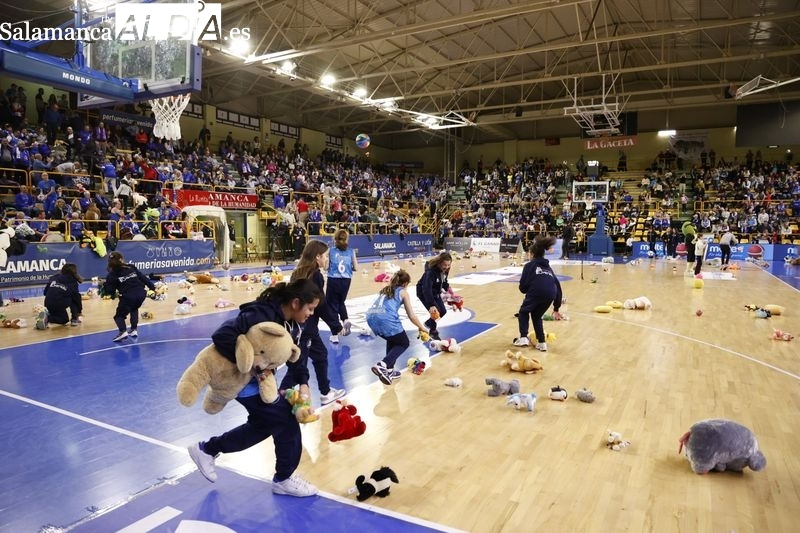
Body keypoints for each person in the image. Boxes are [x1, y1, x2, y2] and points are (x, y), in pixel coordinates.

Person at [189, 279, 323, 497]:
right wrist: (252, 365)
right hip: (238, 379)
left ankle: (207, 449)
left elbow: (295, 356)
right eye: (310, 308)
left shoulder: (295, 324)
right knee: (285, 421)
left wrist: (304, 384)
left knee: (261, 426)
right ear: (296, 302)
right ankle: (284, 479)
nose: (310, 313)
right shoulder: (262, 314)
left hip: (258, 382)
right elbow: (221, 335)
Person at [280, 239, 346, 405]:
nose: (327, 260)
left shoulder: (298, 272)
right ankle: (279, 398)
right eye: (325, 256)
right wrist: (336, 326)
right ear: (317, 257)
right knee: (298, 367)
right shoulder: (315, 275)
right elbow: (320, 305)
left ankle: (325, 392)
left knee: (321, 355)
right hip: (305, 328)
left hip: (302, 326)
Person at [367, 269, 429, 385]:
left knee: (393, 338)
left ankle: (389, 370)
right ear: (405, 283)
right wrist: (422, 327)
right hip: (385, 319)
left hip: (371, 318)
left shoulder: (385, 290)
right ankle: (383, 365)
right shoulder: (403, 292)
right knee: (403, 342)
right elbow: (412, 316)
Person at [513, 235, 564, 352]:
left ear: (532, 254)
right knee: (536, 316)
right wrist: (556, 308)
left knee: (523, 311)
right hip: (551, 294)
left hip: (536, 291)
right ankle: (541, 343)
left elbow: (523, 287)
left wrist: (527, 289)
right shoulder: (549, 268)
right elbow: (558, 286)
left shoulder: (529, 265)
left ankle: (523, 338)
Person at [104, 251, 156, 342]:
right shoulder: (131, 267)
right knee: (134, 308)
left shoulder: (111, 275)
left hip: (128, 296)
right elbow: (143, 278)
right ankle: (134, 330)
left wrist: (105, 286)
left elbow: (110, 291)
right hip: (141, 293)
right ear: (121, 259)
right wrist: (153, 288)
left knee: (119, 316)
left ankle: (123, 331)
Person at [326, 228, 357, 342]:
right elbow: (356, 268)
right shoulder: (351, 251)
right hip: (346, 280)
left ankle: (334, 335)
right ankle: (345, 319)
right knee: (340, 302)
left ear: (335, 239)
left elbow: (325, 267)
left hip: (333, 279)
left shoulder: (331, 251)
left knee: (331, 305)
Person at [415, 251, 452, 341]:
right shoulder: (430, 272)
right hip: (424, 292)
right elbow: (426, 288)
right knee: (436, 312)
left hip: (435, 292)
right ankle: (433, 332)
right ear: (439, 263)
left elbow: (444, 281)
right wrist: (431, 305)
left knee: (443, 311)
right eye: (445, 265)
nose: (446, 267)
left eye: (448, 265)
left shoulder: (445, 269)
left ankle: (428, 323)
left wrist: (449, 291)